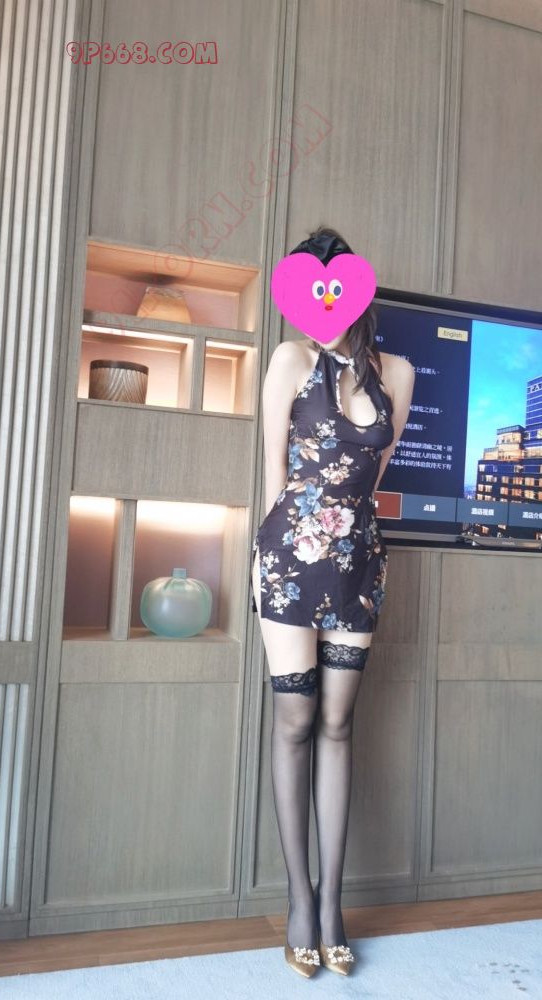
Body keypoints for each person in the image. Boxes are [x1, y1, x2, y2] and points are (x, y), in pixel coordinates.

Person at [249, 225, 415, 977]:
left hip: (357, 563)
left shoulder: (397, 373)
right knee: (295, 719)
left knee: (339, 723)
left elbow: (373, 477)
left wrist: (349, 541)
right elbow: (273, 474)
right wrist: (264, 564)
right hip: (289, 560)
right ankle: (299, 900)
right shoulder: (289, 359)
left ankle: (332, 905)